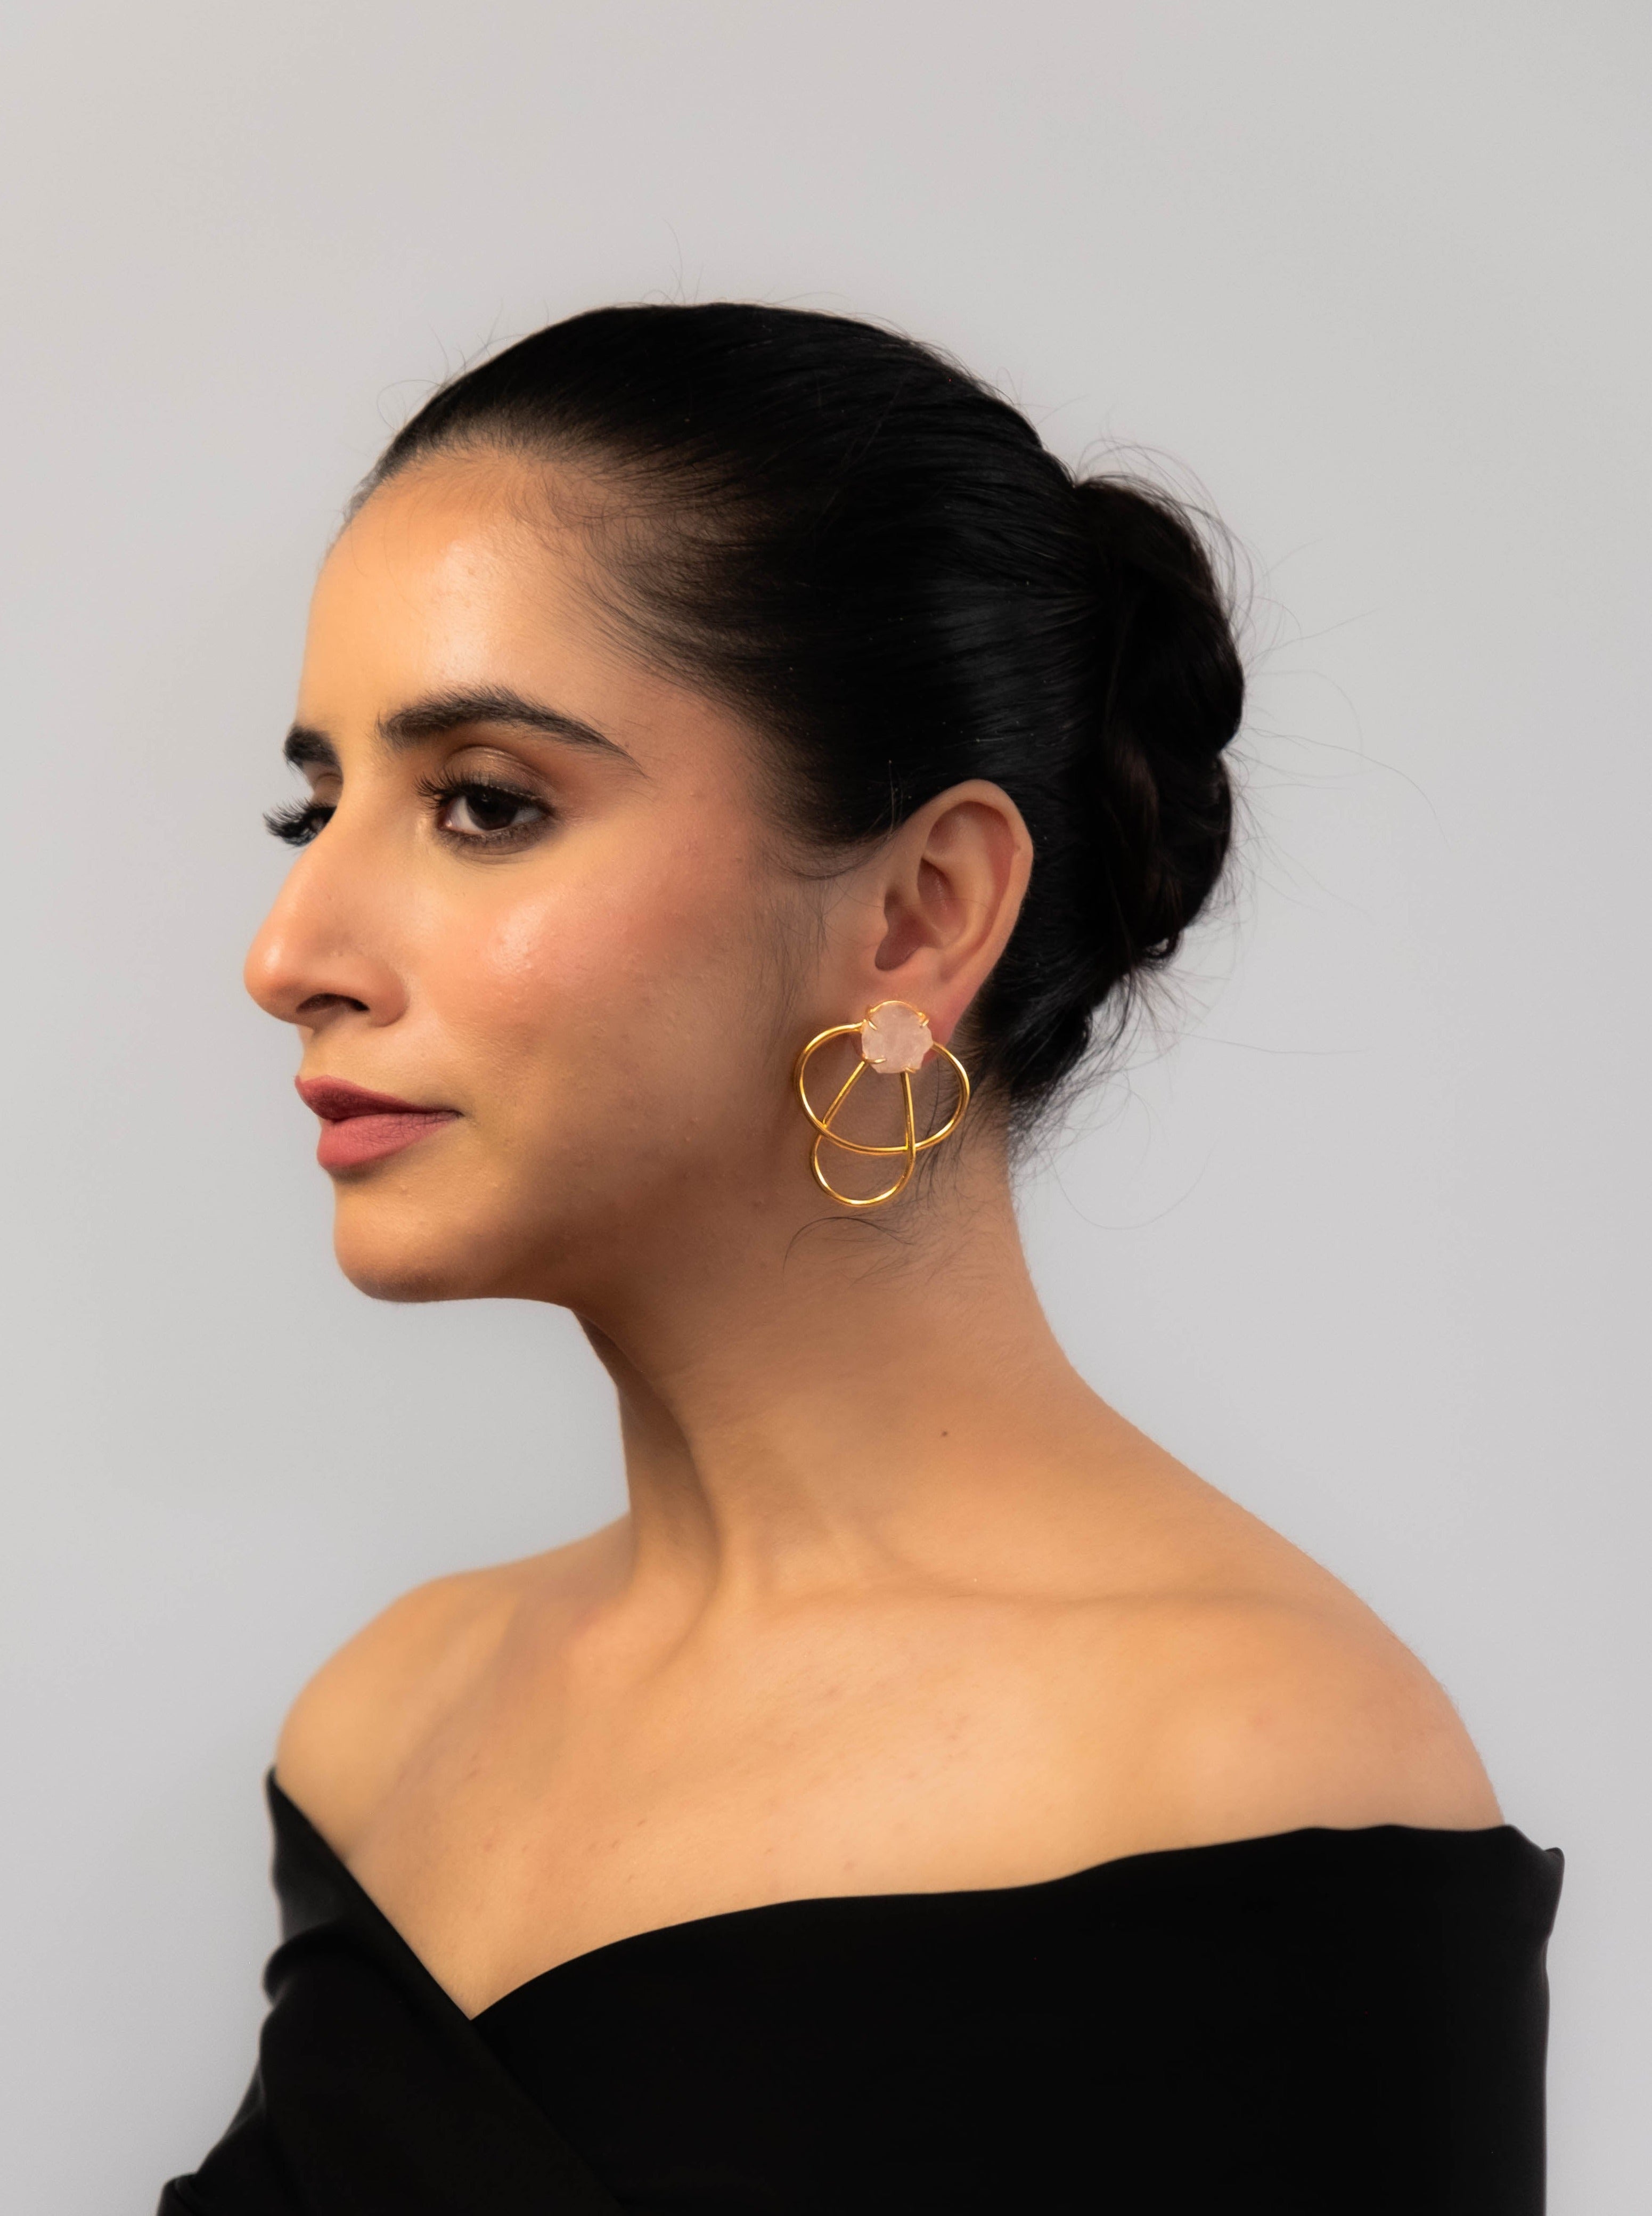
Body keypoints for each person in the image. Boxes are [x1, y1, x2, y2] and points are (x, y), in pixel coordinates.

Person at [160, 303, 1560, 2216]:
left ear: (918, 914)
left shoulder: (1255, 1775)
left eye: (484, 805)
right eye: (315, 807)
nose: (288, 953)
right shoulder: (386, 1731)